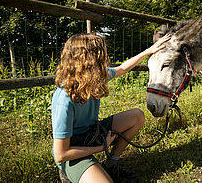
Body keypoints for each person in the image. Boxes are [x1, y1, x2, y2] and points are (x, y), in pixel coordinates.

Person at [51, 32, 171, 183]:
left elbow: (123, 68)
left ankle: (111, 164)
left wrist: (149, 51)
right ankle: (68, 173)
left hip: (91, 134)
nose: (107, 59)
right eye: (102, 56)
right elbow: (61, 154)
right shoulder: (64, 98)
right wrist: (102, 147)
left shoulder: (96, 77)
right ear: (89, 61)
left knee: (137, 116)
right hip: (71, 151)